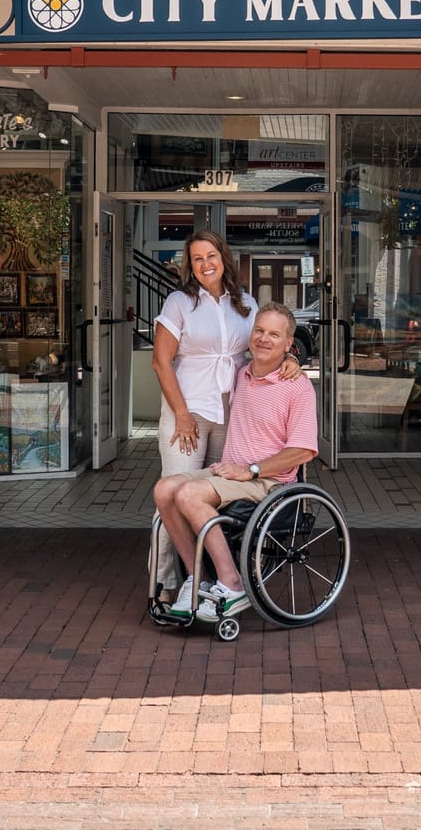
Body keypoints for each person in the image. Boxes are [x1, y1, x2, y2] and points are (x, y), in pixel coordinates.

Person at [148, 229, 296, 606]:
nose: (205, 264)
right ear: (190, 266)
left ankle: (216, 577)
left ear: (223, 258)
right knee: (171, 491)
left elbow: (265, 345)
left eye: (210, 256)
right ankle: (167, 581)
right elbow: (160, 360)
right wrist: (181, 415)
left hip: (230, 411)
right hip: (189, 412)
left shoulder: (244, 303)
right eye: (197, 259)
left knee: (210, 497)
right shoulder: (180, 302)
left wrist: (292, 359)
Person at [152, 302, 318, 622]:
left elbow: (303, 451)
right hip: (229, 474)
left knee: (189, 494)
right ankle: (197, 580)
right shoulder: (240, 373)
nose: (263, 339)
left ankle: (232, 583)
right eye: (259, 331)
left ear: (288, 344)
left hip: (269, 482)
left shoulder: (297, 387)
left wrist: (251, 470)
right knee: (164, 490)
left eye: (274, 334)